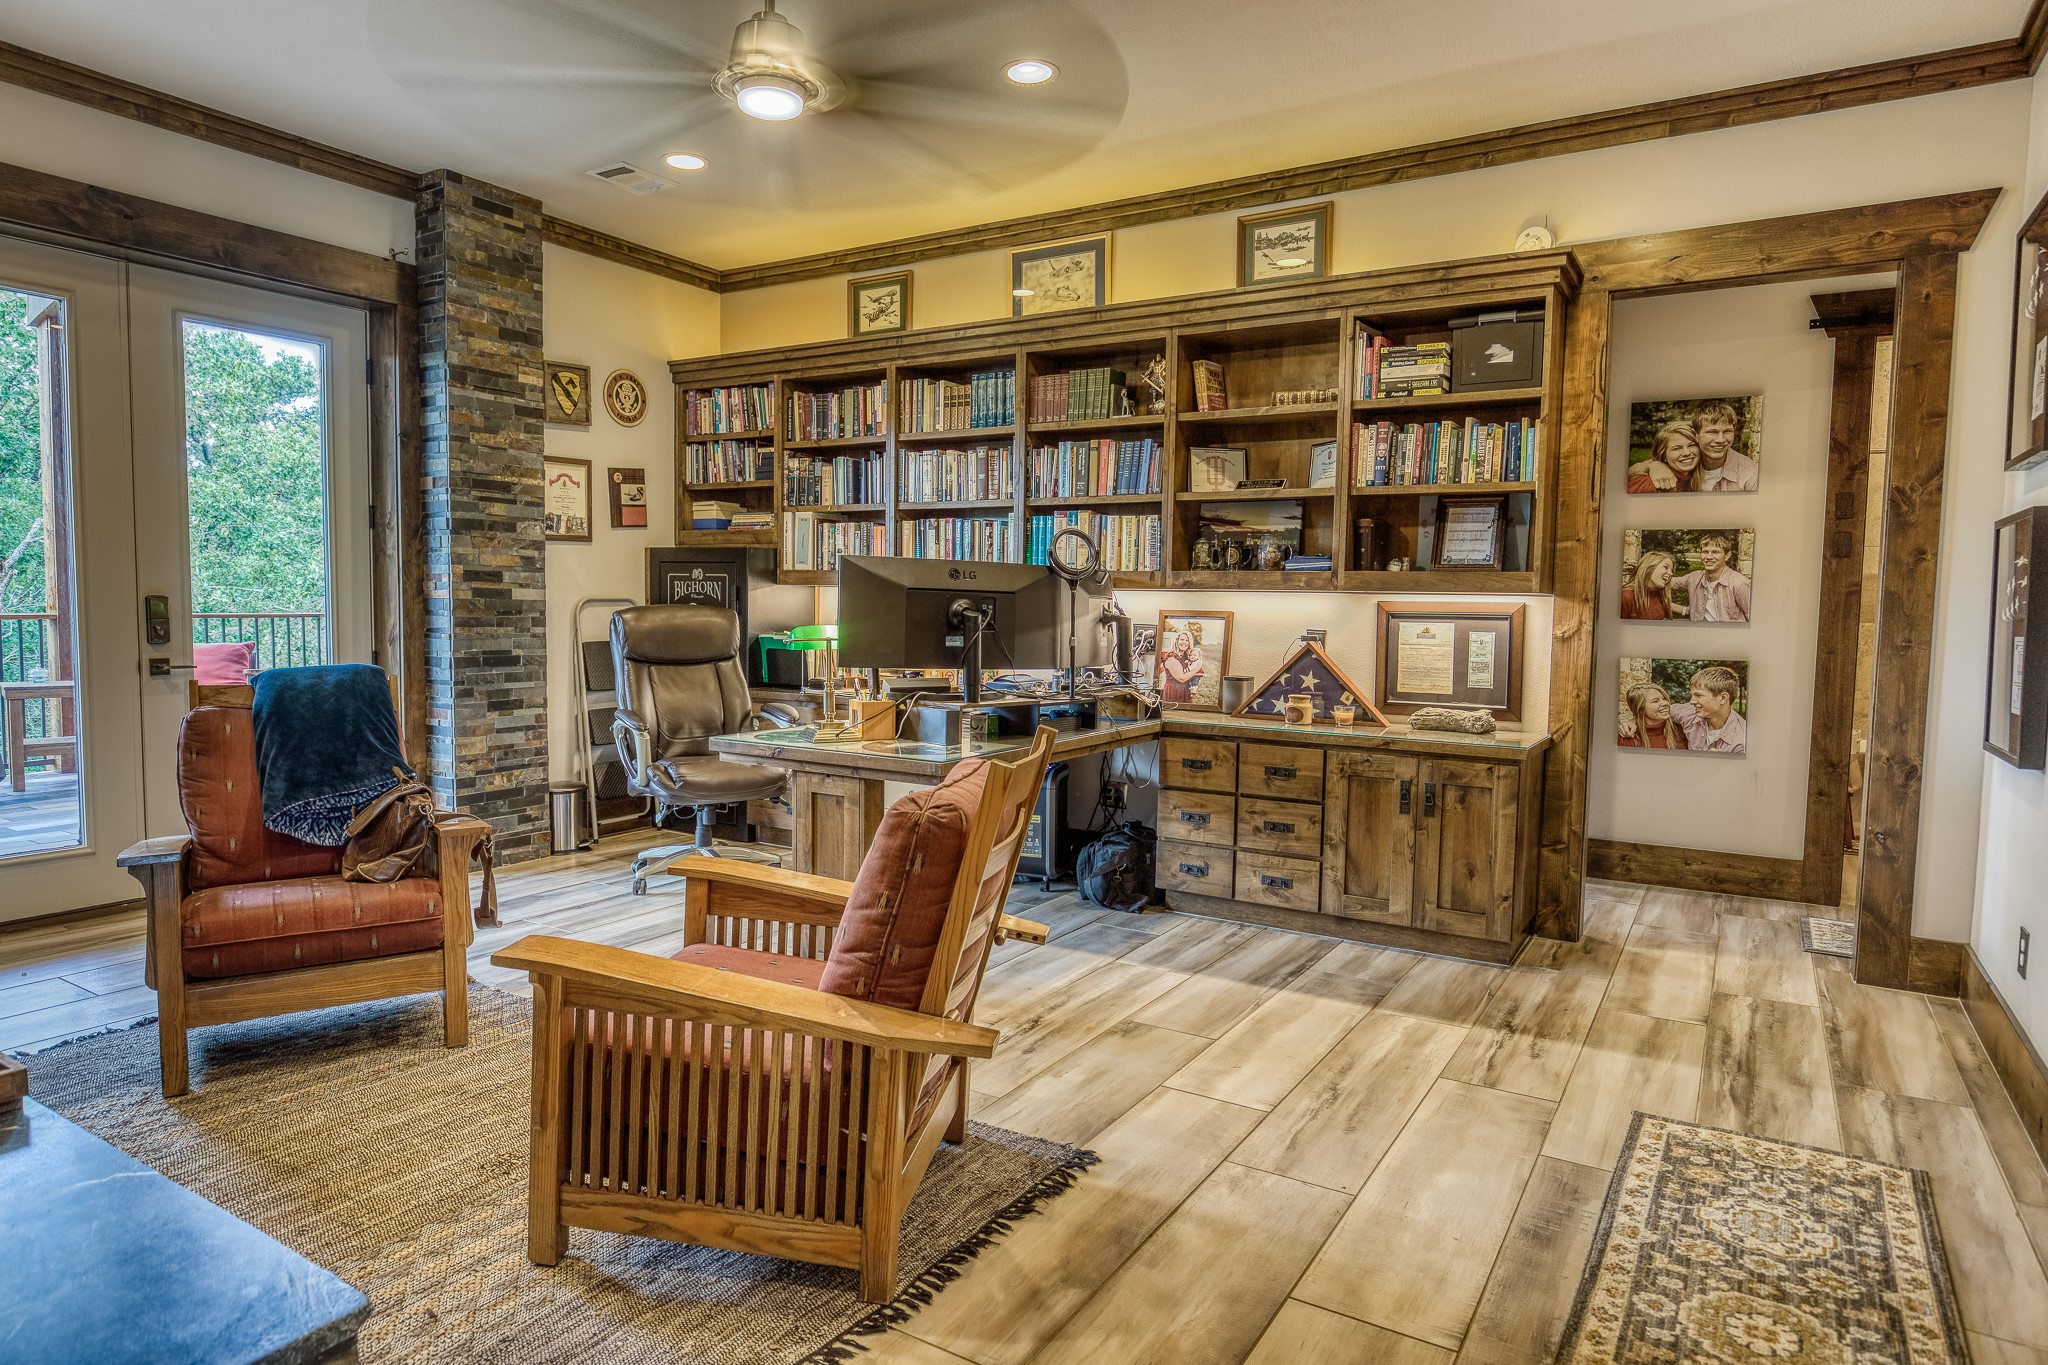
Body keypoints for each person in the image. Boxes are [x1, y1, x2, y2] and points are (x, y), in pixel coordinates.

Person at [1670, 531, 1751, 622]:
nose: (1709, 557)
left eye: (1715, 552)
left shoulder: (1740, 584)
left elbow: (1754, 619)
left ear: (1727, 555)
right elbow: (1666, 582)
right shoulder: (1693, 578)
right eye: (1705, 552)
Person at [1669, 664, 1747, 753]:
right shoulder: (1689, 713)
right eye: (1692, 695)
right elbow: (1664, 710)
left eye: (1698, 695)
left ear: (1723, 698)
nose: (1692, 701)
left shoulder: (1742, 741)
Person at [1691, 401, 1759, 492]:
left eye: (1727, 431)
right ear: (1696, 435)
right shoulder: (1685, 463)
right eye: (1712, 432)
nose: (1721, 440)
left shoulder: (1751, 475)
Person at [1628, 423, 1704, 494]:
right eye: (1676, 448)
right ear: (1663, 455)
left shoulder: (1696, 475)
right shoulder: (1648, 483)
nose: (1686, 453)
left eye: (1691, 445)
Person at [1616, 681, 1685, 748]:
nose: (1665, 703)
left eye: (1664, 699)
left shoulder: (1680, 730)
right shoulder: (1628, 737)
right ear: (1641, 709)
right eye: (1655, 701)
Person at [1620, 549, 1678, 620]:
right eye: (1666, 567)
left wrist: (1687, 610)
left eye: (1671, 571)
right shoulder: (1625, 597)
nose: (1671, 573)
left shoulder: (1660, 594)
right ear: (1649, 567)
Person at [1159, 627, 1206, 705]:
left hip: (1185, 690)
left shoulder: (1186, 656)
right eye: (1182, 639)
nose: (1184, 642)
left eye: (1187, 640)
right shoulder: (1171, 658)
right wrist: (1198, 667)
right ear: (1177, 641)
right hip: (1173, 691)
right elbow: (1182, 678)